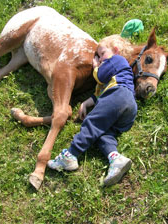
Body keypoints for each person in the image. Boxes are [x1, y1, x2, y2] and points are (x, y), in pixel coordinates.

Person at [47, 36, 137, 186]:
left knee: (92, 123)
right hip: (127, 107)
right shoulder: (114, 74)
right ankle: (116, 159)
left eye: (102, 54)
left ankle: (71, 155)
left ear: (115, 50)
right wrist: (86, 103)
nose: (100, 58)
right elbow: (100, 93)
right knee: (104, 134)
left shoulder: (117, 60)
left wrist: (96, 66)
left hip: (118, 95)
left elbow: (101, 77)